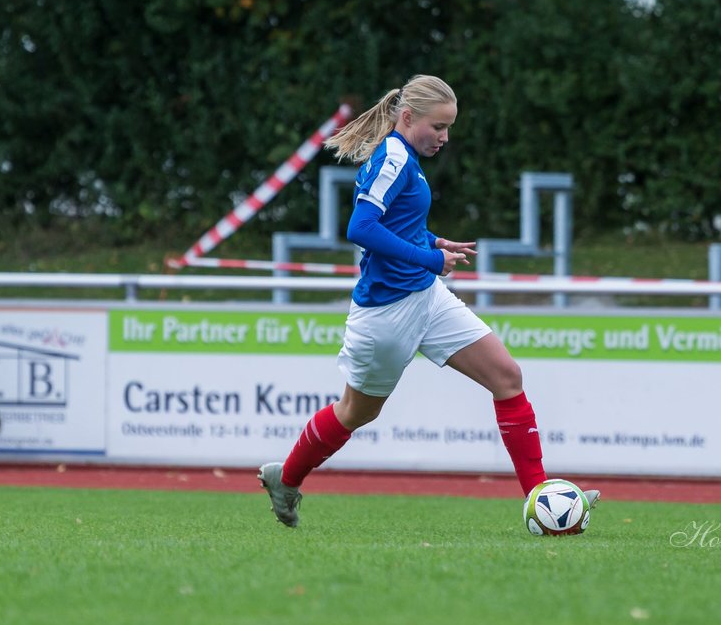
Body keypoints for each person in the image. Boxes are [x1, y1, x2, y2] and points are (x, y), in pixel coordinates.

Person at [256, 75, 598, 527]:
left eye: (449, 127)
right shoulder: (394, 158)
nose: (445, 137)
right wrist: (428, 257)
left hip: (427, 296)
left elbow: (396, 223)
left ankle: (544, 498)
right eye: (438, 127)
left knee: (507, 377)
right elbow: (360, 228)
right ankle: (288, 478)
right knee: (355, 413)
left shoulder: (408, 158)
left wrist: (434, 242)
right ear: (408, 117)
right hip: (385, 314)